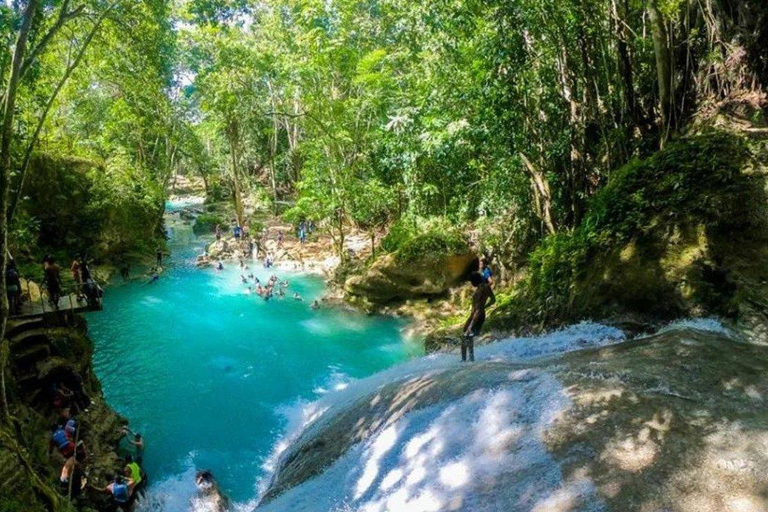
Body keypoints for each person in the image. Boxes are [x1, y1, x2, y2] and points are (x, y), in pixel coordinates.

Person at [462, 272, 496, 362]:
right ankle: (465, 359)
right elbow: (492, 300)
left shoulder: (484, 287)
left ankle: (470, 359)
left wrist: (483, 307)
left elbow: (493, 300)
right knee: (465, 335)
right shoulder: (479, 288)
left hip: (478, 314)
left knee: (468, 335)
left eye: (471, 281)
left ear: (475, 280)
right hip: (475, 314)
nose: (471, 284)